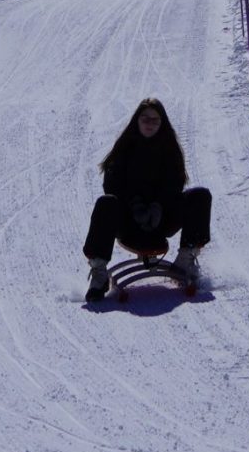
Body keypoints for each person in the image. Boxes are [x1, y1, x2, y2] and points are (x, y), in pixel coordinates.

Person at [83, 97, 211, 300]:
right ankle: (99, 272)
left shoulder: (170, 151)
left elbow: (175, 185)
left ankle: (186, 257)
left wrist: (158, 206)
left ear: (162, 123)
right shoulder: (124, 149)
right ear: (137, 120)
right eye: (145, 118)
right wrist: (135, 205)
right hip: (129, 223)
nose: (150, 123)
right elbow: (112, 185)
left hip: (161, 221)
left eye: (155, 120)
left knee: (200, 196)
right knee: (106, 203)